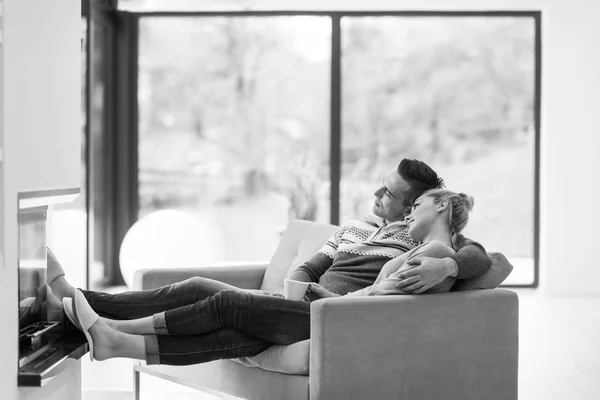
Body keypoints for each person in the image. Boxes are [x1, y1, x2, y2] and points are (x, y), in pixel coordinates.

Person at [61, 188, 477, 365]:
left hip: (335, 319)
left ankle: (114, 329)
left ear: (441, 207)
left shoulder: (439, 254)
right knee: (233, 335)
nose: (410, 213)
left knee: (226, 304)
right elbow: (381, 292)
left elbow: (386, 303)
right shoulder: (424, 250)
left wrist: (452, 263)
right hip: (328, 309)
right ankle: (112, 340)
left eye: (418, 204)